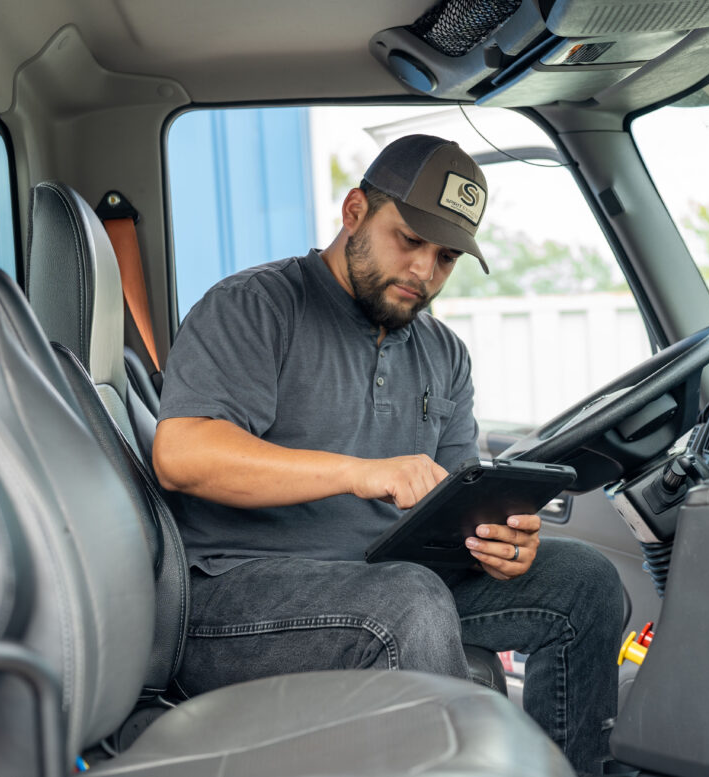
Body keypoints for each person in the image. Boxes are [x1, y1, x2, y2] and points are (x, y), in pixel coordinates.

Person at [153, 134, 623, 775]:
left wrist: (499, 544)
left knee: (585, 582)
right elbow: (183, 453)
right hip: (234, 598)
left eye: (447, 256)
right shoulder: (255, 307)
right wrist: (357, 472)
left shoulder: (444, 354)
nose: (425, 271)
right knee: (408, 602)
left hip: (392, 579)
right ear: (354, 213)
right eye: (409, 239)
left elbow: (457, 495)